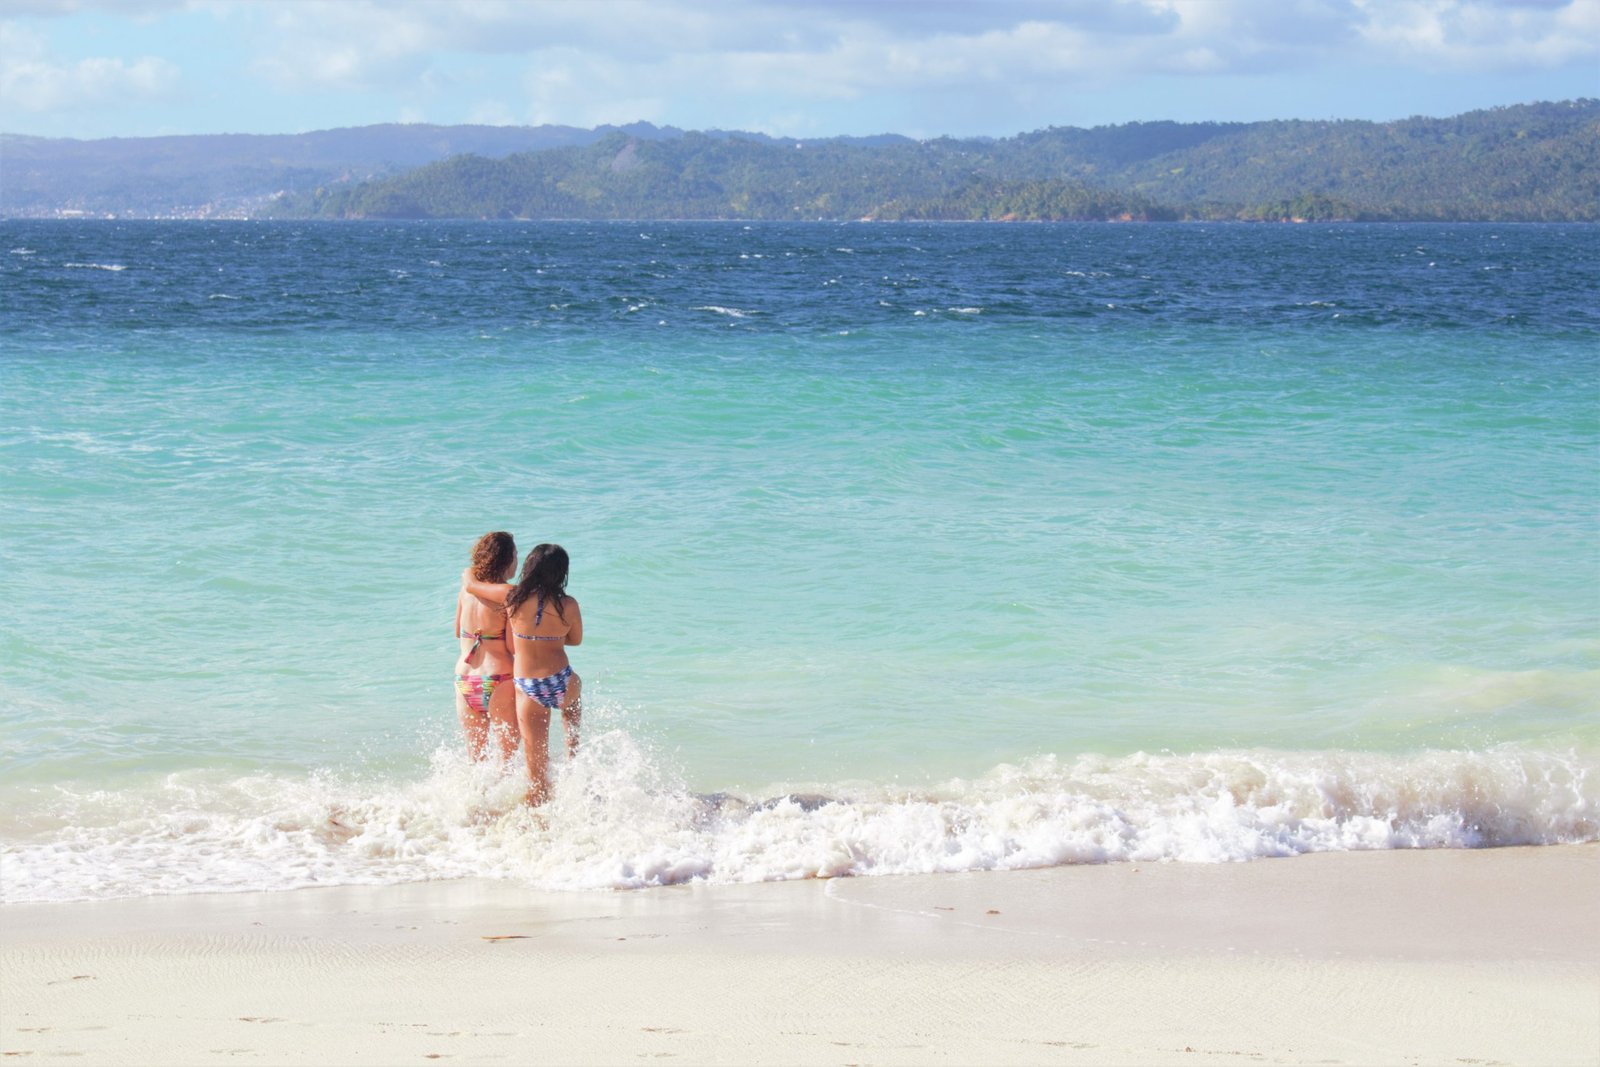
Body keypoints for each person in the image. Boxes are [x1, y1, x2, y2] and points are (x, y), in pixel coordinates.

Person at [463, 543, 582, 804]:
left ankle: (535, 807)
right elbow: (576, 640)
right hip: (561, 680)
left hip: (529, 688)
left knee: (536, 775)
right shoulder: (569, 604)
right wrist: (551, 636)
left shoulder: (511, 596)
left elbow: (471, 586)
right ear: (562, 573)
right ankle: (573, 753)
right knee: (573, 703)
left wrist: (469, 572)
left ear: (529, 567)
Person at [454, 531, 519, 764]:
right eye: (516, 554)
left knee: (476, 758)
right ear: (507, 559)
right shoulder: (509, 594)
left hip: (465, 678)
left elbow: (457, 631)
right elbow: (511, 645)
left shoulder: (465, 591)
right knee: (507, 759)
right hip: (499, 678)